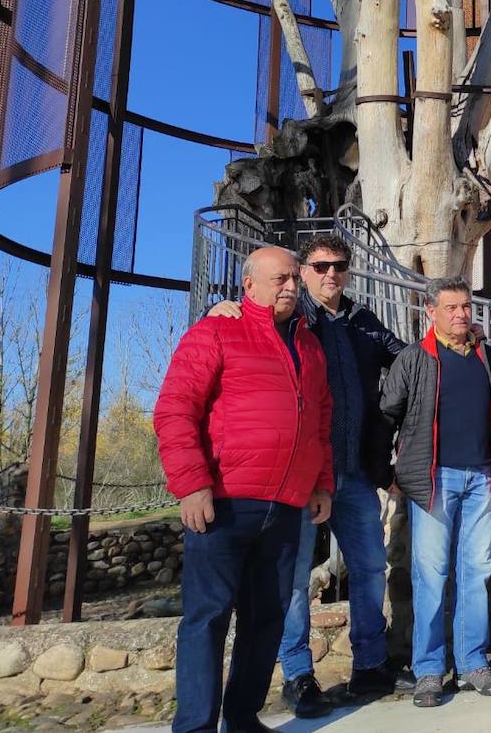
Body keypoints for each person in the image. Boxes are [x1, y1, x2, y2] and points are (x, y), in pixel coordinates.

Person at [206, 234, 411, 716]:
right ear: (303, 273)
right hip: (300, 477)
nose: (330, 274)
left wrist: (454, 336)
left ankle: (369, 664)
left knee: (368, 569)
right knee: (292, 580)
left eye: (338, 265)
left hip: (354, 474)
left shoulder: (363, 321)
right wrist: (221, 308)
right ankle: (298, 676)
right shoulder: (290, 321)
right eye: (319, 267)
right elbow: (245, 328)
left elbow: (406, 358)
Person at [154, 246, 334, 733]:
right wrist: (192, 485)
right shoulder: (216, 330)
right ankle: (194, 725)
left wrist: (321, 483)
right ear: (248, 284)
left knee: (267, 618)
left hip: (288, 505)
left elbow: (319, 419)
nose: (291, 286)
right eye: (280, 279)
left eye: (295, 278)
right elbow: (174, 410)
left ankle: (241, 715)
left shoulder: (310, 345)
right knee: (207, 618)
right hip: (225, 503)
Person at [380, 276, 491, 707]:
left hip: (480, 478)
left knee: (476, 573)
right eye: (451, 308)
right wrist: (389, 468)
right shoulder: (415, 358)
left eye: (465, 308)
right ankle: (430, 670)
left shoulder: (483, 356)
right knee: (431, 576)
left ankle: (473, 662)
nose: (460, 315)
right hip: (435, 480)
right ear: (431, 312)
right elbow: (388, 413)